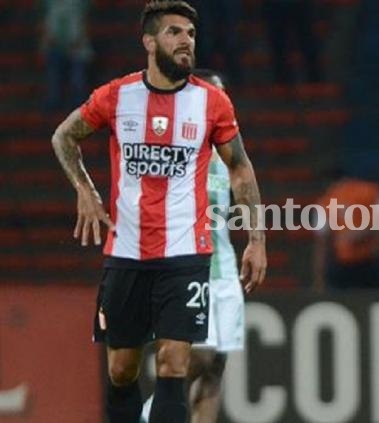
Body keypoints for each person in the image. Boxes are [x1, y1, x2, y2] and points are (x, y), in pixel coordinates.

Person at [50, 2, 267, 422]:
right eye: (175, 32)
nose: (186, 40)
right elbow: (64, 137)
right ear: (149, 42)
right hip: (127, 251)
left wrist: (257, 240)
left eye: (191, 33)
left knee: (174, 366)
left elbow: (240, 169)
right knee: (121, 369)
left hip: (186, 253)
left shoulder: (212, 103)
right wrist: (86, 191)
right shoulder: (117, 96)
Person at [139, 69, 245, 423]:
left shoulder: (230, 154)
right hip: (185, 267)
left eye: (224, 94)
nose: (221, 102)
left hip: (222, 269)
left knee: (216, 366)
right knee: (194, 360)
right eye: (215, 95)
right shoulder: (177, 145)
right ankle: (155, 413)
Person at [313, 169, 379, 290]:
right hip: (370, 259)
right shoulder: (371, 191)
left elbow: (322, 243)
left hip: (345, 262)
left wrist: (319, 278)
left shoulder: (326, 201)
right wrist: (375, 240)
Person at [39, 0, 93, 110]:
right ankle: (54, 101)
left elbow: (85, 20)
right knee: (54, 74)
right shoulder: (51, 5)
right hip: (55, 47)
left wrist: (78, 42)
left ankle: (79, 104)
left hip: (76, 47)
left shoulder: (79, 4)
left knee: (77, 76)